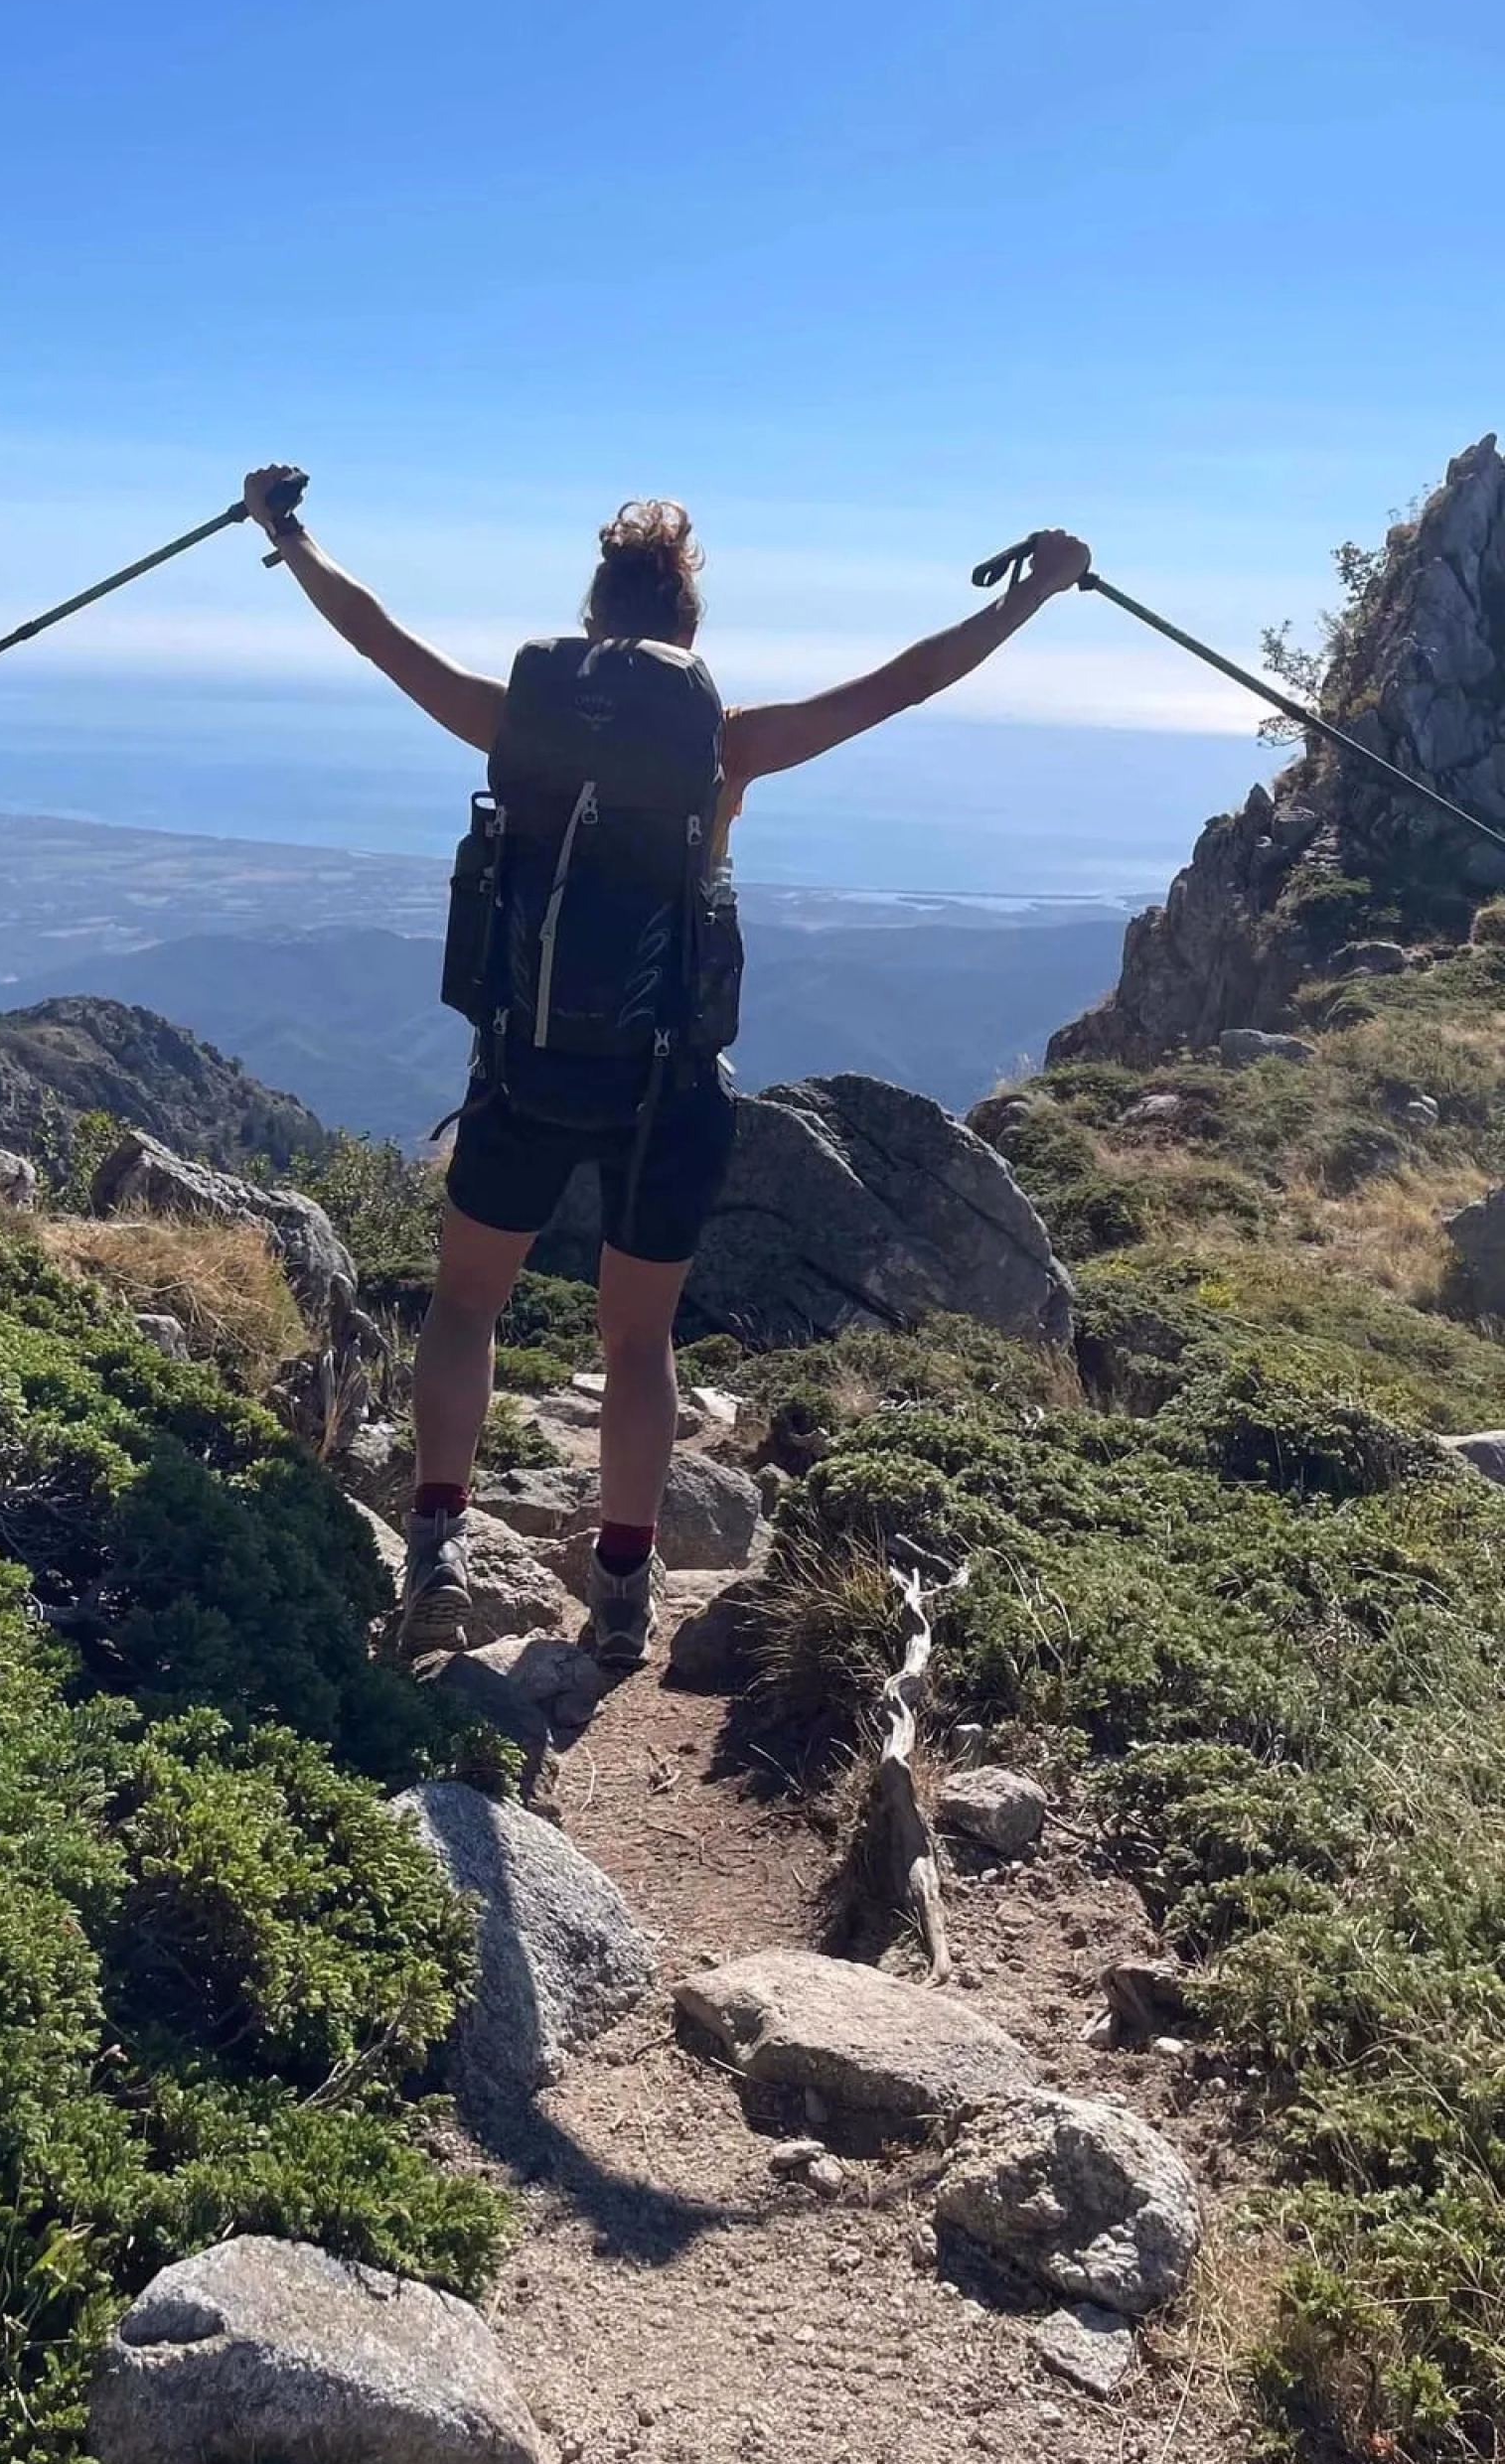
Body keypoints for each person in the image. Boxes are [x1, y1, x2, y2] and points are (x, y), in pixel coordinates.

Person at [238, 467, 1090, 1667]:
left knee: (468, 1302)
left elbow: (377, 634)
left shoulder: (517, 721)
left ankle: (436, 1544)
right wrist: (1031, 594)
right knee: (637, 1340)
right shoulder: (725, 746)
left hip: (522, 1066)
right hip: (665, 1088)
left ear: (593, 620)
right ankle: (626, 1587)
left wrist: (289, 532)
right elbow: (902, 683)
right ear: (687, 631)